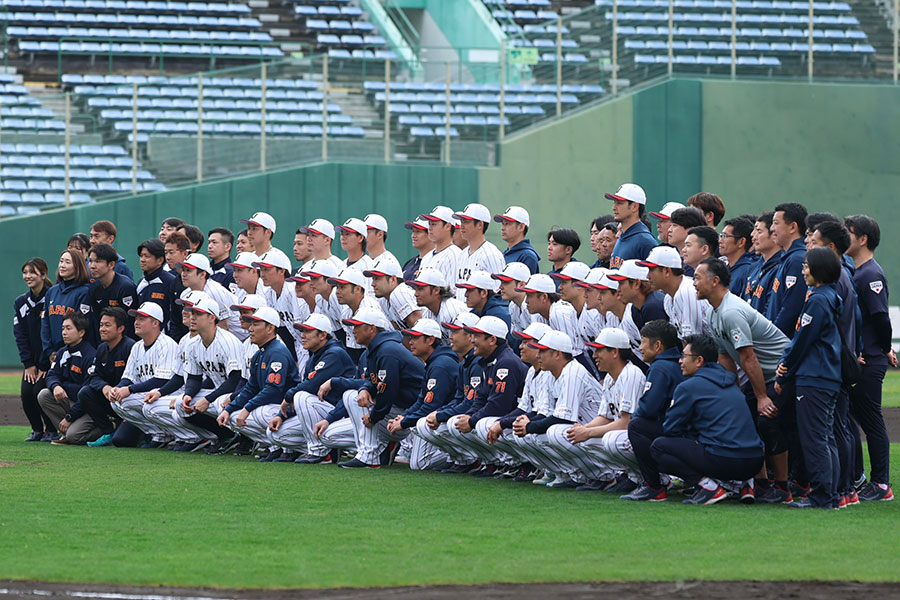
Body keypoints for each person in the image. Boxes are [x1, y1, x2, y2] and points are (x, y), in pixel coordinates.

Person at [694, 257, 792, 503]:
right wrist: (733, 394)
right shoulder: (713, 312)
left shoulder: (731, 311)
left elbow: (748, 357)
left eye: (697, 278)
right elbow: (726, 355)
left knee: (767, 421)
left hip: (782, 373)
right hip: (759, 374)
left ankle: (782, 487)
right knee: (744, 420)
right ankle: (759, 483)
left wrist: (761, 397)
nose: (693, 283)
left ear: (715, 281)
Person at [650, 334, 765, 505]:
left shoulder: (688, 387)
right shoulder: (731, 383)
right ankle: (745, 484)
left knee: (659, 447)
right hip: (755, 463)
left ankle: (708, 488)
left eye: (684, 356)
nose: (680, 361)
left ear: (699, 361)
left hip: (726, 460)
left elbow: (671, 429)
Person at [773, 247, 843, 509]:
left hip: (815, 377)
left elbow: (802, 340)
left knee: (815, 439)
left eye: (806, 266)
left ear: (819, 269)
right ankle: (831, 495)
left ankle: (822, 496)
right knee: (825, 438)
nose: (803, 271)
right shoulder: (829, 296)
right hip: (826, 376)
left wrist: (785, 366)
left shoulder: (817, 300)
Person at [541, 328, 646, 491]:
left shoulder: (631, 374)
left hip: (641, 435)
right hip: (625, 433)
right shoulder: (611, 377)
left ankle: (647, 477)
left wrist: (588, 433)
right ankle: (608, 476)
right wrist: (584, 429)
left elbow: (626, 422)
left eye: (599, 350)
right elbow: (605, 416)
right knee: (566, 434)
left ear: (615, 352)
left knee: (612, 440)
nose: (594, 355)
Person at [321, 307, 425, 468]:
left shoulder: (387, 350)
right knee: (328, 436)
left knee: (351, 396)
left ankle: (369, 455)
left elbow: (387, 391)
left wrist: (373, 417)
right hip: (399, 411)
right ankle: (378, 448)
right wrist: (365, 388)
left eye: (357, 326)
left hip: (412, 417)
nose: (353, 330)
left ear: (371, 328)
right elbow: (372, 379)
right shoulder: (376, 349)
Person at [807, 220, 862, 506]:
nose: (808, 244)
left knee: (835, 429)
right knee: (836, 428)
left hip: (831, 364)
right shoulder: (841, 277)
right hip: (837, 361)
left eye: (813, 241)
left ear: (829, 248)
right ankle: (844, 489)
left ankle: (843, 490)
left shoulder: (834, 280)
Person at [845, 214, 895, 502]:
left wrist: (882, 348)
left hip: (870, 360)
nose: (844, 236)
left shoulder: (870, 274)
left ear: (862, 239)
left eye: (848, 232)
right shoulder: (857, 271)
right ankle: (862, 479)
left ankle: (881, 484)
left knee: (871, 420)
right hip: (863, 358)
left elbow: (880, 318)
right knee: (853, 419)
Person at [515, 330, 604, 488]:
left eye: (542, 351)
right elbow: (548, 414)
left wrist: (529, 426)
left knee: (554, 433)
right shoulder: (551, 374)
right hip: (581, 431)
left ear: (557, 354)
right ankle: (566, 474)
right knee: (527, 435)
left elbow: (563, 418)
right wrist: (526, 423)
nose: (538, 355)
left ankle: (603, 475)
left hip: (598, 433)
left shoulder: (572, 372)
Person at [444, 316, 527, 477]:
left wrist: (472, 420)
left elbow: (499, 405)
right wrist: (469, 416)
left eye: (477, 336)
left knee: (482, 424)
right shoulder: (489, 361)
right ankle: (495, 462)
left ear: (492, 340)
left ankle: (517, 463)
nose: (472, 340)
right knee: (459, 421)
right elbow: (481, 398)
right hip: (510, 419)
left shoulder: (505, 362)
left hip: (515, 418)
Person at [268, 313, 357, 462]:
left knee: (301, 396)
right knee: (275, 435)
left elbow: (311, 385)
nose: (302, 335)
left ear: (322, 335)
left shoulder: (334, 353)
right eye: (302, 331)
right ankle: (315, 450)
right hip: (324, 412)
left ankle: (320, 453)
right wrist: (281, 415)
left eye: (308, 331)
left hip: (341, 414)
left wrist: (288, 396)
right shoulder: (314, 356)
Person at [218, 306, 300, 456]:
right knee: (231, 415)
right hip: (272, 407)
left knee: (259, 412)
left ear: (270, 328)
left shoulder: (277, 352)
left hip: (288, 409)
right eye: (251, 324)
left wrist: (247, 408)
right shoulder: (259, 354)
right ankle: (274, 447)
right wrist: (229, 409)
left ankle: (290, 448)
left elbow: (273, 390)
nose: (250, 328)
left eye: (256, 324)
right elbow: (251, 388)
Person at [621, 320, 685, 501]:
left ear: (657, 345)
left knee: (636, 426)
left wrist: (635, 416)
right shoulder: (676, 362)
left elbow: (649, 409)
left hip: (680, 434)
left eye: (643, 341)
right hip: (689, 431)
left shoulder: (660, 367)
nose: (640, 347)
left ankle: (653, 485)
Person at [481, 322, 553, 481]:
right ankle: (526, 465)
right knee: (498, 426)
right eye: (521, 342)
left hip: (576, 427)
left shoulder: (549, 373)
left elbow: (543, 413)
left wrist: (509, 422)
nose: (521, 346)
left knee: (537, 432)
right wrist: (502, 422)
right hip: (548, 422)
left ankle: (557, 470)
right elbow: (523, 408)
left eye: (526, 342)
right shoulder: (532, 371)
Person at [415, 312, 484, 473]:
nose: (450, 337)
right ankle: (459, 459)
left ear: (470, 337)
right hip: (474, 417)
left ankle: (477, 459)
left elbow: (470, 404)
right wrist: (440, 413)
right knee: (425, 422)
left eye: (455, 332)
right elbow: (459, 399)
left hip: (485, 419)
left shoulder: (476, 364)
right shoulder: (464, 363)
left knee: (451, 423)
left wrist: (440, 415)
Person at [388, 319, 459, 470]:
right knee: (417, 427)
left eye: (415, 337)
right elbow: (422, 400)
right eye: (410, 337)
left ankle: (464, 457)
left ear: (430, 340)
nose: (410, 342)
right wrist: (405, 416)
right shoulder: (434, 362)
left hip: (452, 420)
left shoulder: (440, 365)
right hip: (442, 420)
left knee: (420, 463)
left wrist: (404, 422)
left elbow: (431, 406)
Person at [105, 302, 178, 447]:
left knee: (145, 404)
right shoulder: (137, 346)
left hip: (169, 396)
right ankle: (159, 434)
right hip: (148, 396)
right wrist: (118, 388)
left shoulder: (167, 344)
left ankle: (184, 435)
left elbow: (162, 380)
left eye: (142, 319)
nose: (136, 322)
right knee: (117, 401)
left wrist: (130, 390)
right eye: (136, 318)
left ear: (155, 323)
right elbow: (128, 377)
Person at [36, 312, 97, 445]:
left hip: (87, 407)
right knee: (44, 394)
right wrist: (56, 386)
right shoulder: (62, 352)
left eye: (69, 328)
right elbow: (52, 375)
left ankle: (104, 431)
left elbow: (87, 393)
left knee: (74, 437)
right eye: (63, 328)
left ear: (81, 333)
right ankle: (66, 432)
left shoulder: (90, 355)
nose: (64, 332)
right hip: (71, 401)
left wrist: (69, 417)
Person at [81, 308, 137, 447]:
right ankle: (107, 432)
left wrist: (119, 390)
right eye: (101, 325)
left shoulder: (130, 347)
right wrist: (105, 387)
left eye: (107, 325)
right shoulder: (101, 349)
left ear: (121, 328)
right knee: (85, 392)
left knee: (122, 441)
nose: (102, 329)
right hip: (110, 399)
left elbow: (137, 378)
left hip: (129, 400)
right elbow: (94, 376)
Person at [518, 273, 593, 374]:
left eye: (530, 296)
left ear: (544, 297)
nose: (526, 301)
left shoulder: (559, 313)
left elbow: (572, 354)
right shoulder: (538, 315)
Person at [15, 258, 54, 441]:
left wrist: (45, 364)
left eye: (32, 272)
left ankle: (52, 429)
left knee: (39, 391)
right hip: (31, 361)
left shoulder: (52, 298)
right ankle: (37, 430)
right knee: (26, 393)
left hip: (48, 359)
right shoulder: (21, 302)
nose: (27, 276)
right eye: (25, 272)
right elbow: (20, 335)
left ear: (43, 275)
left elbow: (51, 333)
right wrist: (28, 364)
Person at [640, 245, 711, 340]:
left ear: (666, 271)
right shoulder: (668, 299)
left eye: (651, 270)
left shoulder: (686, 292)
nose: (647, 276)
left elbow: (693, 341)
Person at [41, 248, 92, 370]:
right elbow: (45, 322)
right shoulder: (52, 291)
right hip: (52, 354)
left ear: (78, 266)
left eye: (67, 262)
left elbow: (82, 325)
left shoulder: (84, 292)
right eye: (61, 261)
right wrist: (49, 350)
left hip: (74, 353)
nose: (62, 265)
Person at [177, 253, 246, 341]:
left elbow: (224, 328)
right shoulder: (185, 294)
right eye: (183, 270)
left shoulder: (215, 292)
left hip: (240, 338)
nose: (183, 274)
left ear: (202, 274)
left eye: (188, 270)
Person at [766, 202, 809, 337]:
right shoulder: (787, 257)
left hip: (782, 344)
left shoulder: (797, 260)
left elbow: (791, 308)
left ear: (792, 227)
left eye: (776, 223)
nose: (772, 229)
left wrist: (771, 339)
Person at [255, 249, 305, 364]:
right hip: (295, 346)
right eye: (261, 270)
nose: (262, 274)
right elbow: (281, 330)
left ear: (282, 271)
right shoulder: (269, 294)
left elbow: (301, 329)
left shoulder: (293, 291)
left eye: (267, 270)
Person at [329, 267, 388, 363]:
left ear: (357, 289)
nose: (337, 291)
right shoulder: (346, 312)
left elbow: (378, 345)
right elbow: (354, 350)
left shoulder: (369, 308)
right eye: (337, 287)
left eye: (342, 287)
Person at [452, 203, 506, 300]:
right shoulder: (462, 254)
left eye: (466, 222)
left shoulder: (491, 255)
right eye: (461, 221)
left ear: (480, 225)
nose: (461, 226)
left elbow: (498, 292)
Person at [88, 243, 138, 340]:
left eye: (98, 261)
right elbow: (95, 320)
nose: (92, 266)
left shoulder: (125, 287)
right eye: (90, 261)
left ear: (111, 264)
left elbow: (130, 324)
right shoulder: (94, 287)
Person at [408, 268, 468, 346]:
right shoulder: (427, 313)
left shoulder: (452, 311)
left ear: (436, 290)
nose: (416, 294)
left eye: (420, 289)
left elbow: (462, 346)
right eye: (416, 289)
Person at [605, 183, 656, 268]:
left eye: (619, 203)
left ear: (634, 206)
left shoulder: (645, 241)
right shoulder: (622, 236)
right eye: (614, 203)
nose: (614, 207)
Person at [609, 259, 668, 328]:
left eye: (621, 283)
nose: (618, 289)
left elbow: (657, 338)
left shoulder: (652, 306)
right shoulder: (635, 308)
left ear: (636, 284)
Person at [365, 259, 422, 330]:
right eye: (373, 279)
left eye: (377, 279)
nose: (372, 284)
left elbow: (421, 330)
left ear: (393, 279)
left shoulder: (400, 293)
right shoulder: (383, 301)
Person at [745, 211, 784, 312]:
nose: (753, 235)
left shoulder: (779, 268)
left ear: (773, 234)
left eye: (759, 231)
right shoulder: (755, 267)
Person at [135, 239, 176, 332]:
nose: (142, 260)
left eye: (147, 256)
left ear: (160, 260)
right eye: (141, 256)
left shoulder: (170, 281)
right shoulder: (141, 281)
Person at [419, 206, 460, 288]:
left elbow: (453, 292)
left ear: (448, 226)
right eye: (429, 224)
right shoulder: (426, 257)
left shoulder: (455, 255)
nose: (429, 228)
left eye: (434, 224)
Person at [719, 216, 759, 297]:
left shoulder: (748, 270)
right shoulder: (726, 267)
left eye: (725, 236)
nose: (720, 240)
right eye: (721, 235)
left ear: (741, 242)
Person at [164, 232, 192, 340]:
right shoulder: (174, 283)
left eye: (171, 252)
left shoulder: (197, 281)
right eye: (166, 253)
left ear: (185, 254)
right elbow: (175, 320)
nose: (168, 257)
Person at [492, 262, 532, 337]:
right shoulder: (513, 306)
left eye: (506, 282)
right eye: (501, 282)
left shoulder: (534, 307)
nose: (500, 287)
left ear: (521, 285)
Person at [496, 206, 539, 274]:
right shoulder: (505, 253)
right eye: (503, 224)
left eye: (507, 224)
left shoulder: (527, 256)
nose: (502, 228)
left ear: (521, 227)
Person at [337, 218, 374, 292]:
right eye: (342, 234)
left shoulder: (368, 266)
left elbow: (370, 298)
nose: (343, 238)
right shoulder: (341, 265)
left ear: (360, 238)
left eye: (347, 234)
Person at [402, 217, 434, 281]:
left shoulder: (436, 262)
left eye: (418, 232)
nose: (413, 235)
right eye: (413, 231)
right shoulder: (409, 263)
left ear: (430, 233)